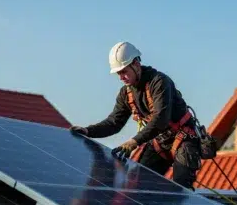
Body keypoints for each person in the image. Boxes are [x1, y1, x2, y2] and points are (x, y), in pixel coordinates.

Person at [70, 41, 202, 190]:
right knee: (137, 186)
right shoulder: (126, 94)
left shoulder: (159, 82)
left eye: (124, 71)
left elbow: (161, 120)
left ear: (136, 64)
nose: (121, 77)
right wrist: (88, 131)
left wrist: (134, 142)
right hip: (159, 142)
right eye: (118, 73)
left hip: (183, 139)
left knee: (181, 190)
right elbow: (114, 122)